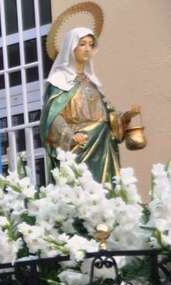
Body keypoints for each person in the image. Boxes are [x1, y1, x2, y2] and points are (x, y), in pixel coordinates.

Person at [40, 27, 139, 183]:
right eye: (82, 44)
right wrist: (69, 135)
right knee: (81, 188)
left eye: (91, 45)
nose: (87, 49)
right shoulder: (59, 81)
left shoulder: (92, 82)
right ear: (71, 47)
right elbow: (52, 118)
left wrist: (125, 117)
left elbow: (106, 115)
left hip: (103, 145)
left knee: (107, 190)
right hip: (81, 146)